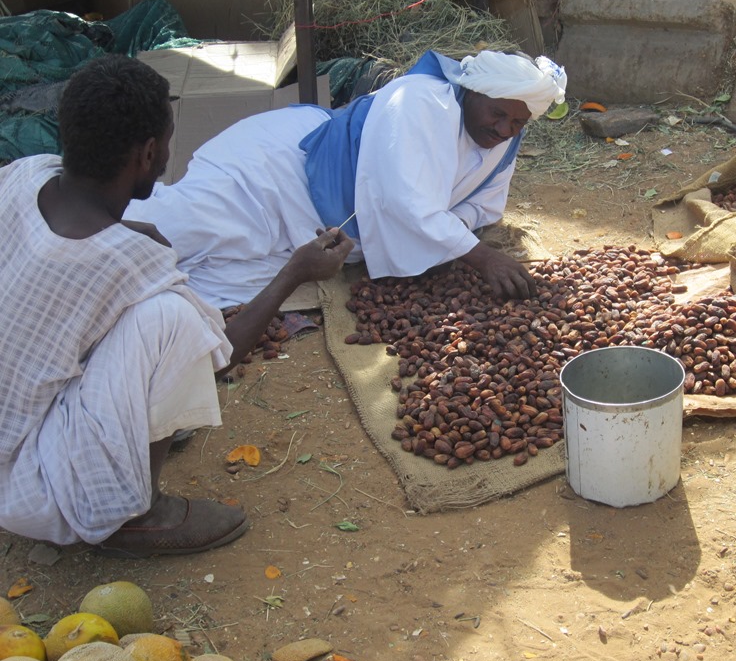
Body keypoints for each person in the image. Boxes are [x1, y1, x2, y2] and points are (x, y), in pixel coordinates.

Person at [0, 54, 352, 557]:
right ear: (147, 154)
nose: (168, 153)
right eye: (166, 140)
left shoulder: (23, 175)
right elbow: (221, 352)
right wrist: (294, 272)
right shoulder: (130, 263)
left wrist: (126, 232)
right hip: (33, 490)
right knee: (172, 317)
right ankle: (135, 513)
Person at [125, 49, 568, 308]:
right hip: (278, 171)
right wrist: (479, 256)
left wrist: (445, 235)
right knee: (173, 233)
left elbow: (481, 208)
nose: (506, 130)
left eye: (518, 122)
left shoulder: (503, 142)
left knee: (210, 290)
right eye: (498, 114)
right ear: (471, 94)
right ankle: (79, 242)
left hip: (326, 228)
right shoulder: (421, 103)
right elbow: (408, 202)